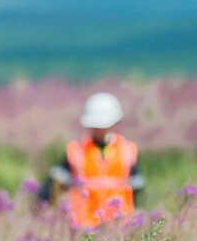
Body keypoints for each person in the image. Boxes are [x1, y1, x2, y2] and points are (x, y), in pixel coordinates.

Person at [38, 92, 144, 227]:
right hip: (84, 226)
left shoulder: (128, 151)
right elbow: (52, 186)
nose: (99, 130)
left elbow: (137, 189)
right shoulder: (76, 151)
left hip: (119, 226)